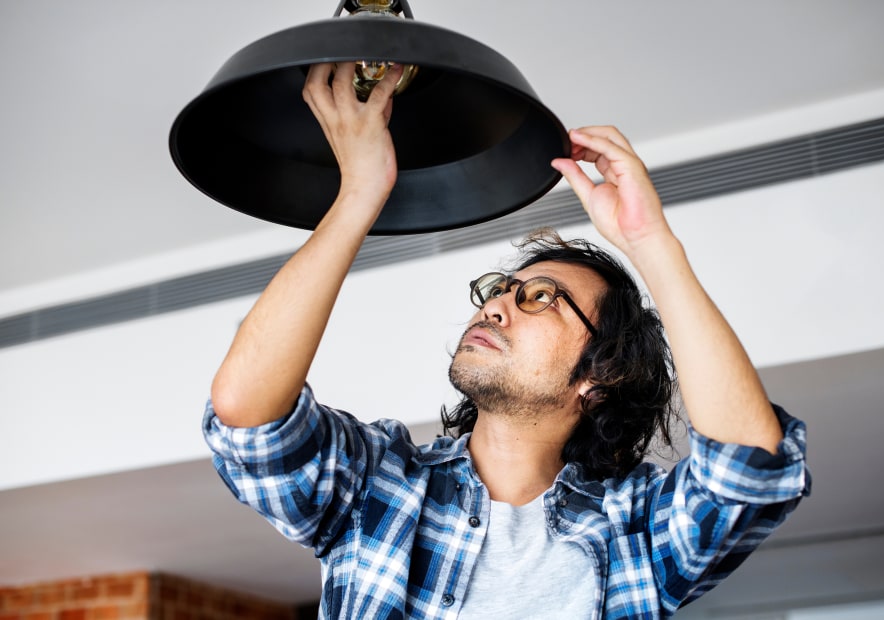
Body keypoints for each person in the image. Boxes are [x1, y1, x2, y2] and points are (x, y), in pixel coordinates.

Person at [203, 62, 810, 619]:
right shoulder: (379, 485)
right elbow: (249, 419)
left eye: (540, 296)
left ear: (601, 375)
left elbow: (748, 468)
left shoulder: (634, 528)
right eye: (500, 289)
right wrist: (359, 193)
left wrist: (651, 245)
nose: (495, 305)